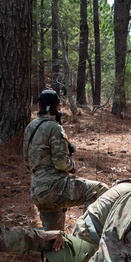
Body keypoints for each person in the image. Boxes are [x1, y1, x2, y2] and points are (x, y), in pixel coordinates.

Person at [23, 87, 107, 231]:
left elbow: (27, 159)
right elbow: (61, 162)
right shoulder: (54, 127)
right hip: (53, 187)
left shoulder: (31, 126)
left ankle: (49, 249)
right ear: (58, 106)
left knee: (54, 236)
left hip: (37, 189)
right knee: (99, 189)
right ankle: (86, 234)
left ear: (39, 106)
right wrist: (72, 165)